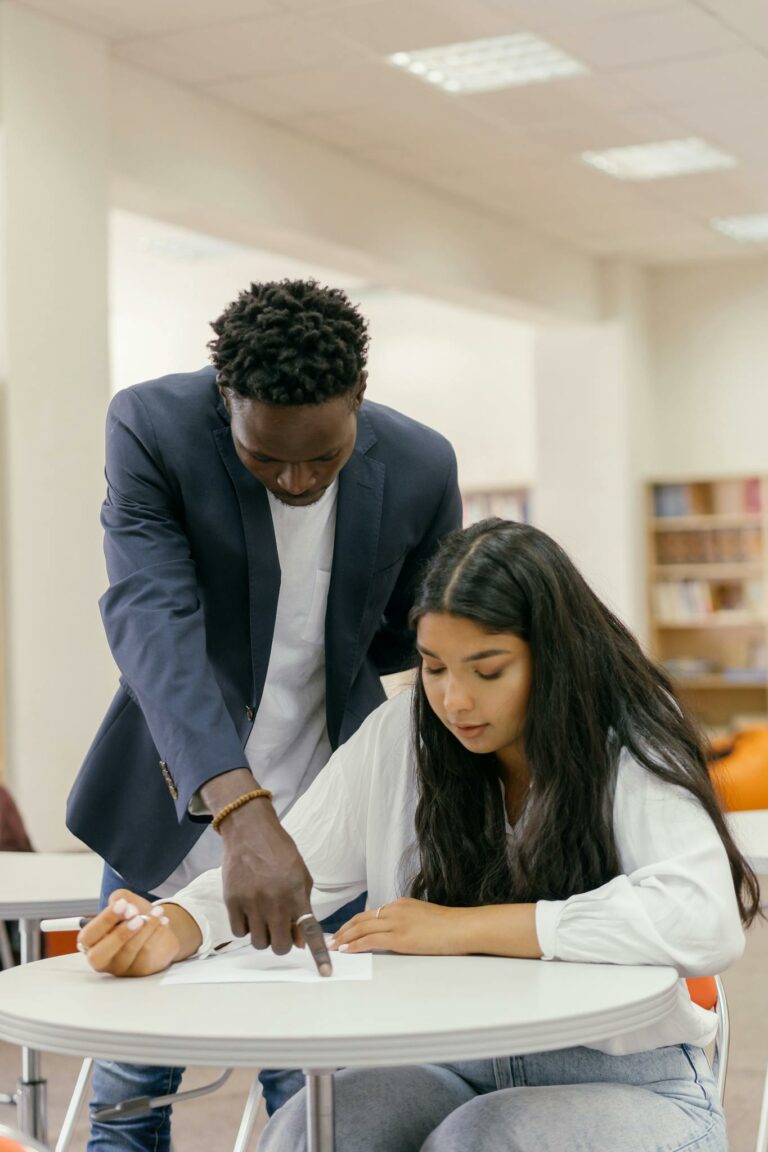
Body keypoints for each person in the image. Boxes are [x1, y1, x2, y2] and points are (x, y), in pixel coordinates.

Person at [79, 519, 761, 1152]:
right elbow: (291, 862)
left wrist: (463, 927)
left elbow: (704, 919)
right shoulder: (401, 738)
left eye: (487, 670)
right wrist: (171, 925)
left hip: (634, 1083)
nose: (454, 699)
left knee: (481, 1140)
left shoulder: (628, 735)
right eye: (434, 667)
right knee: (307, 1135)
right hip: (457, 1066)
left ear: (555, 656)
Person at [66, 278, 462, 1150]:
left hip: (331, 811)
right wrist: (242, 812)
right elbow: (150, 618)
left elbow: (420, 634)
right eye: (265, 458)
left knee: (316, 1084)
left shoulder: (424, 463)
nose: (295, 478)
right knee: (129, 1091)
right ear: (225, 399)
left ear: (359, 398)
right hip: (176, 799)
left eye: (323, 459)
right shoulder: (153, 428)